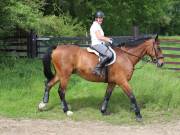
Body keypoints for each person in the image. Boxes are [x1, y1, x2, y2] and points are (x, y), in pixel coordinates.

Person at [90, 10, 114, 76]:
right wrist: (109, 40)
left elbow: (102, 37)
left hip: (100, 44)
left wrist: (108, 39)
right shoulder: (95, 26)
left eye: (102, 18)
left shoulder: (98, 25)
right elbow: (99, 37)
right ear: (96, 18)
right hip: (97, 44)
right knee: (109, 54)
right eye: (99, 18)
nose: (101, 19)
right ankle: (97, 69)